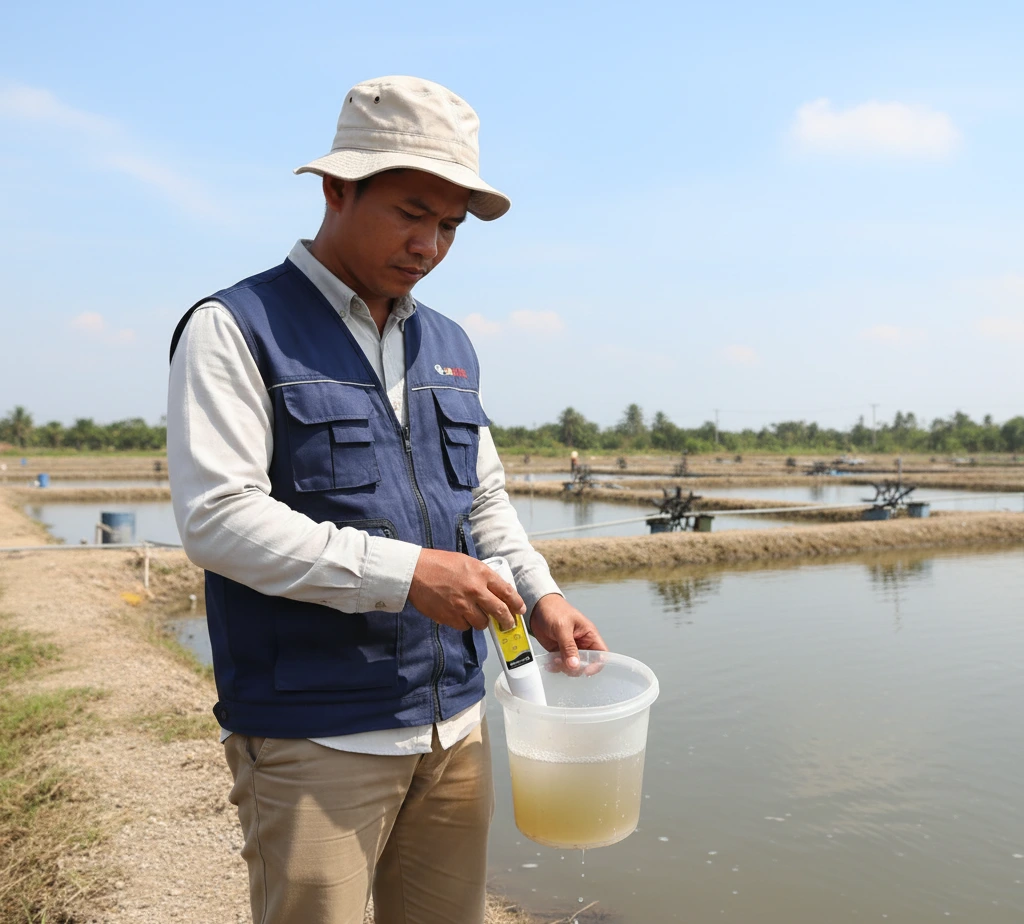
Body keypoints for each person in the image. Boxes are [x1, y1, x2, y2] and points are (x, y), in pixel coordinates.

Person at [166, 75, 606, 924]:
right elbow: (219, 518)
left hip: (456, 727)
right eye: (411, 212)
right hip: (316, 733)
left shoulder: (449, 343)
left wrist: (540, 593)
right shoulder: (238, 327)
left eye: (450, 226)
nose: (429, 244)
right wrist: (406, 574)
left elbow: (481, 502)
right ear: (338, 188)